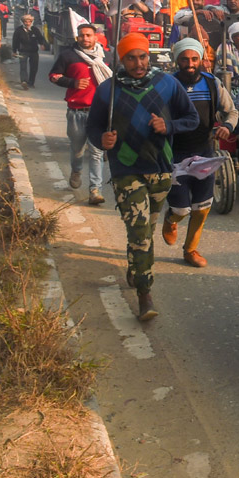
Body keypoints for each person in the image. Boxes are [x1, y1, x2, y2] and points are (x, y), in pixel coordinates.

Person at [87, 33, 199, 320]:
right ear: (121, 60)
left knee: (146, 232)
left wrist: (168, 125)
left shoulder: (167, 83)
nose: (138, 63)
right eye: (131, 58)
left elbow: (192, 119)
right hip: (126, 171)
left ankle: (136, 266)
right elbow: (93, 128)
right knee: (139, 231)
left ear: (149, 57)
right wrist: (103, 140)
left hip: (161, 170)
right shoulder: (107, 91)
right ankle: (144, 294)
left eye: (142, 57)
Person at [161, 38, 238, 268]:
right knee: (181, 208)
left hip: (205, 152)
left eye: (194, 59)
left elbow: (231, 111)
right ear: (177, 60)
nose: (190, 64)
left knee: (203, 207)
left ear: (201, 59)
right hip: (175, 156)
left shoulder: (212, 83)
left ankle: (191, 250)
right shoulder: (167, 85)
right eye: (184, 59)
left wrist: (227, 126)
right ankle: (171, 219)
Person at [49, 22, 111, 204]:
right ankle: (76, 170)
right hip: (77, 112)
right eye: (82, 35)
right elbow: (53, 76)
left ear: (95, 37)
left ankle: (95, 190)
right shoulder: (68, 55)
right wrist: (72, 83)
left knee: (96, 153)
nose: (85, 38)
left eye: (88, 35)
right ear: (77, 37)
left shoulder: (104, 56)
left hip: (98, 113)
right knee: (77, 150)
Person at [12, 13, 47, 88]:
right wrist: (14, 51)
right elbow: (15, 41)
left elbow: (40, 38)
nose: (27, 23)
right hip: (23, 51)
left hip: (33, 51)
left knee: (34, 67)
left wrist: (42, 44)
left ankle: (31, 82)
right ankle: (24, 81)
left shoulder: (35, 30)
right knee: (23, 66)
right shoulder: (19, 30)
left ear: (31, 22)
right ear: (23, 22)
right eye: (25, 22)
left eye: (29, 22)